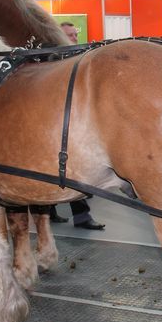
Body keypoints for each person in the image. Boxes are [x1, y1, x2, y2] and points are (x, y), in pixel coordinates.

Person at [50, 21, 105, 230]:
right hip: (55, 125)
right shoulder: (52, 60)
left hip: (76, 123)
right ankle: (55, 213)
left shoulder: (81, 57)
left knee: (74, 171)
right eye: (70, 35)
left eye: (75, 35)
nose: (74, 38)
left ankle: (79, 217)